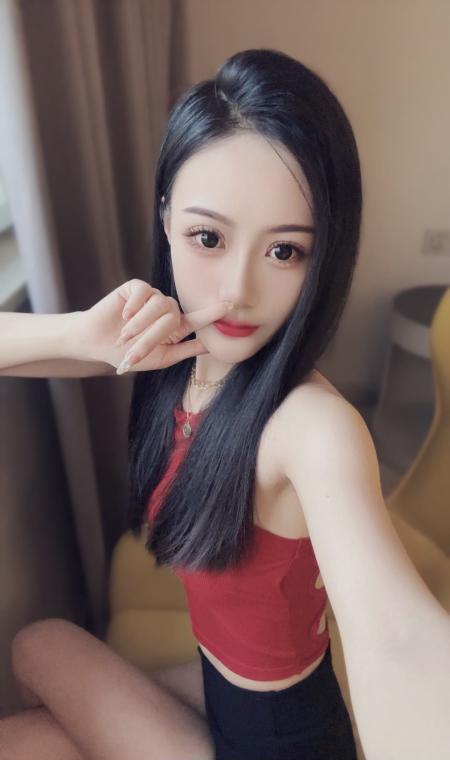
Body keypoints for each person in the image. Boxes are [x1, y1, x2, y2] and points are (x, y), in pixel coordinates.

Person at [0, 48, 449, 760]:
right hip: (219, 691)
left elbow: (399, 640)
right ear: (166, 218)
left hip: (279, 745)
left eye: (285, 252)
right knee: (37, 645)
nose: (238, 291)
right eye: (208, 237)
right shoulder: (174, 349)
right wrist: (80, 334)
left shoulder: (312, 426)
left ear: (323, 256)